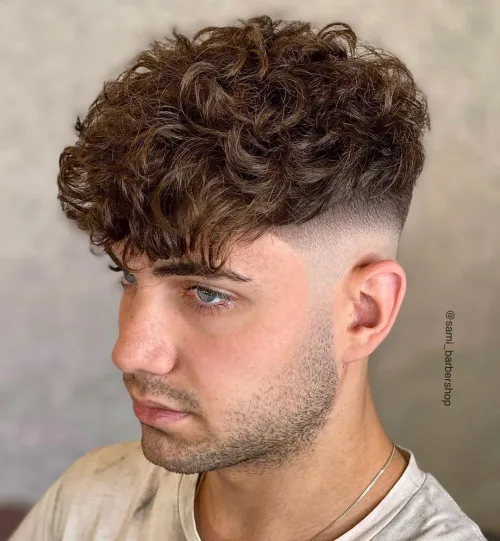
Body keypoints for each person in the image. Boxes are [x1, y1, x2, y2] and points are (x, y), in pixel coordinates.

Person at [9, 14, 486, 541]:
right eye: (126, 275)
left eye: (208, 293)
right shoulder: (89, 504)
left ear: (363, 312)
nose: (130, 352)